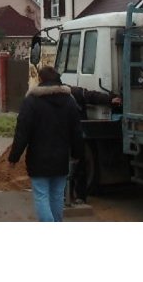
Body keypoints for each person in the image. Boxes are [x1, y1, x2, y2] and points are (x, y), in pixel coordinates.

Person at [8, 66, 83, 222]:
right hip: (61, 159)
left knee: (42, 196)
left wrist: (14, 157)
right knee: (57, 196)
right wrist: (77, 154)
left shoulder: (31, 102)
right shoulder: (69, 101)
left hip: (38, 159)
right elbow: (77, 131)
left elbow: (22, 132)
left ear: (40, 80)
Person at [68, 85, 122, 204]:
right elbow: (91, 95)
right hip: (73, 134)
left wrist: (110, 99)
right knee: (75, 167)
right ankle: (73, 196)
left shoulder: (73, 93)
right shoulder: (73, 92)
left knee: (77, 166)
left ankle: (76, 196)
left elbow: (92, 95)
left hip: (74, 134)